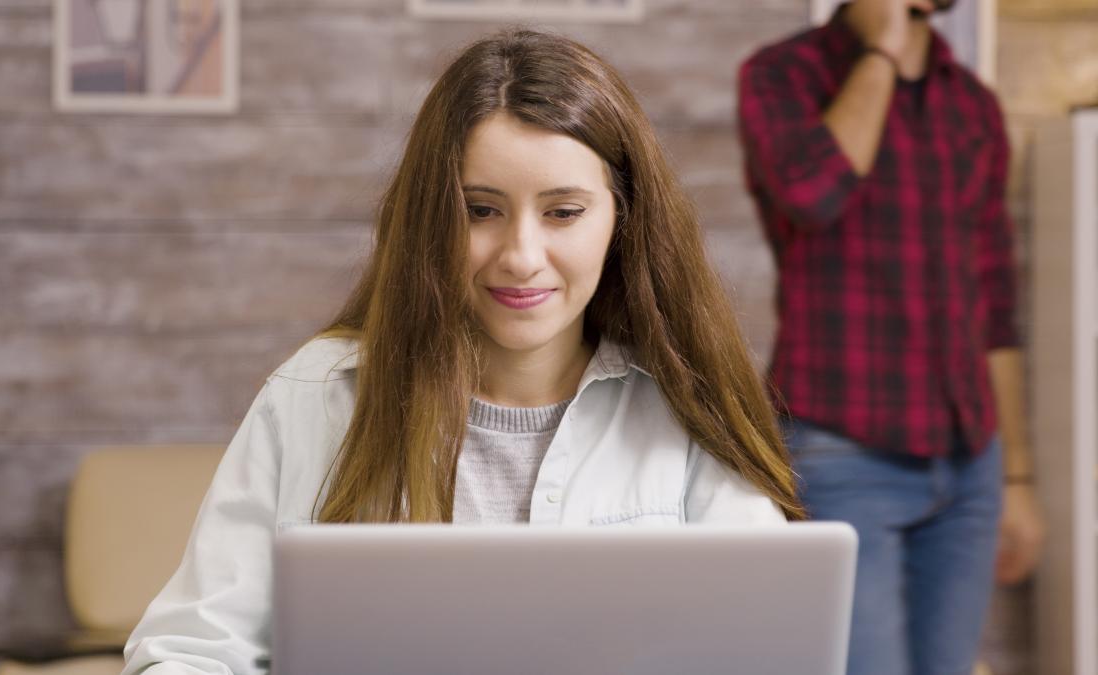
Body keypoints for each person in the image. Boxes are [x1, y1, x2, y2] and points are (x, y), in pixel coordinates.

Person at [122, 29, 803, 675]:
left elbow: (774, 651)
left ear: (622, 221)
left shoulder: (683, 410)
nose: (521, 257)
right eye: (480, 210)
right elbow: (189, 650)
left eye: (563, 212)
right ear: (429, 217)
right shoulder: (315, 397)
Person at [736, 1, 1045, 674]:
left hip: (969, 461)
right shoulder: (780, 76)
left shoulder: (972, 103)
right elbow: (813, 192)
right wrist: (881, 52)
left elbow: (994, 302)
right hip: (841, 455)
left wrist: (1015, 474)